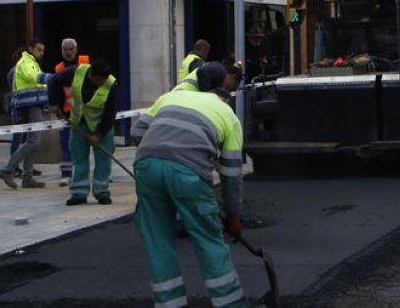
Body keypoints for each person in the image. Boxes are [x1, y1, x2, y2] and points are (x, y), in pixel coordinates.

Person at [130, 83, 247, 308]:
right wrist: (233, 216)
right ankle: (230, 304)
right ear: (226, 100)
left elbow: (136, 132)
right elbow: (231, 174)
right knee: (208, 238)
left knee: (158, 240)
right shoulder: (229, 116)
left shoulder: (172, 97)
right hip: (187, 173)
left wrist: (158, 156)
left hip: (146, 166)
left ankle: (170, 304)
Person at [41, 59, 118, 206]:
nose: (102, 83)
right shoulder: (76, 72)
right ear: (92, 75)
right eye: (99, 80)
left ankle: (101, 191)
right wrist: (54, 103)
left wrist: (99, 134)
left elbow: (110, 113)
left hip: (102, 126)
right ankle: (79, 192)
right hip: (79, 124)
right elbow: (54, 81)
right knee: (79, 159)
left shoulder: (111, 85)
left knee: (103, 161)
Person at [0, 39, 47, 190]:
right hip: (30, 106)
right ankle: (8, 169)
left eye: (42, 50)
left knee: (30, 142)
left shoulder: (31, 63)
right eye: (38, 49)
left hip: (29, 106)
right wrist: (52, 78)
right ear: (30, 48)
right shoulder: (26, 62)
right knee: (33, 142)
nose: (41, 53)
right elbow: (33, 78)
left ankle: (27, 178)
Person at [54, 38, 90, 186]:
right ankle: (66, 175)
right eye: (65, 49)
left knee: (89, 143)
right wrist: (57, 107)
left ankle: (96, 173)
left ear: (76, 49)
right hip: (68, 112)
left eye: (71, 49)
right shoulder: (59, 68)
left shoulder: (85, 61)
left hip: (86, 110)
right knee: (66, 144)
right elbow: (57, 89)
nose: (68, 52)